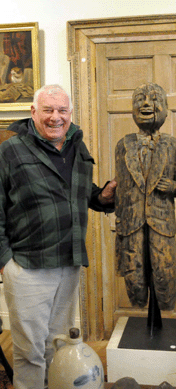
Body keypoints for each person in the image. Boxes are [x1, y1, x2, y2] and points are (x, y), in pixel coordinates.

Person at [0, 84, 116, 389]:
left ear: (70, 113)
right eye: (48, 110)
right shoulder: (9, 151)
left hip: (69, 262)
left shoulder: (77, 145)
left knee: (58, 344)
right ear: (33, 112)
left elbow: (80, 193)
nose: (55, 117)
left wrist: (103, 196)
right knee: (30, 352)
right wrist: (4, 261)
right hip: (28, 266)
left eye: (62, 110)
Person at [115, 82, 176, 316]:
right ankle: (140, 310)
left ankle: (163, 314)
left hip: (162, 222)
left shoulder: (173, 145)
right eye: (140, 99)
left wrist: (173, 186)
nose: (146, 104)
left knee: (163, 272)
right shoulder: (123, 145)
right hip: (131, 223)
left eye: (154, 99)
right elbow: (121, 188)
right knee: (134, 275)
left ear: (164, 107)